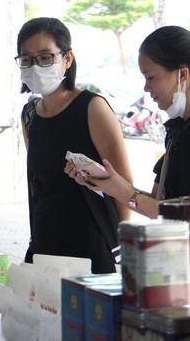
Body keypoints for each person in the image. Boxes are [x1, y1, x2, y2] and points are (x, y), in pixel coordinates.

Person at [66, 25, 190, 219]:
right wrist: (112, 184)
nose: (146, 87)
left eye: (151, 77)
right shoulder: (183, 129)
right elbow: (160, 203)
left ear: (182, 74)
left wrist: (122, 191)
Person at [18, 17, 133, 273]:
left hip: (91, 248)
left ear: (67, 59)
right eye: (27, 59)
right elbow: (40, 185)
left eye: (46, 57)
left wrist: (120, 245)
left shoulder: (92, 107)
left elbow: (124, 188)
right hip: (45, 246)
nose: (36, 66)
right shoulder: (29, 114)